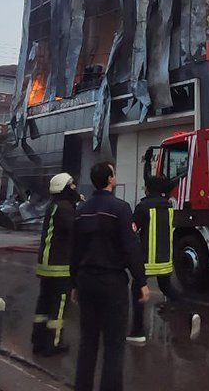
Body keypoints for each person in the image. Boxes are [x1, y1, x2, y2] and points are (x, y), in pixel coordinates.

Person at [71, 162, 148, 391]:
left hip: (86, 281)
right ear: (110, 179)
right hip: (112, 282)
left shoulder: (81, 210)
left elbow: (76, 249)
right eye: (114, 173)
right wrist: (141, 281)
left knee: (88, 342)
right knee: (114, 345)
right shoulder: (121, 209)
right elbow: (130, 247)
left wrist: (74, 282)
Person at [32, 172, 80, 356]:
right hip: (59, 265)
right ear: (65, 188)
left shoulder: (53, 205)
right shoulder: (66, 208)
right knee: (59, 306)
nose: (75, 188)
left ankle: (38, 340)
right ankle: (54, 343)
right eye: (72, 185)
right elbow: (74, 231)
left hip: (46, 265)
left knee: (43, 304)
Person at [126, 176, 178, 345]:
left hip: (147, 260)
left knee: (137, 289)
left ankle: (138, 331)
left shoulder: (143, 207)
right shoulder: (169, 205)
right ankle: (189, 312)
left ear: (148, 189)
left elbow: (132, 230)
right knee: (167, 287)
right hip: (165, 259)